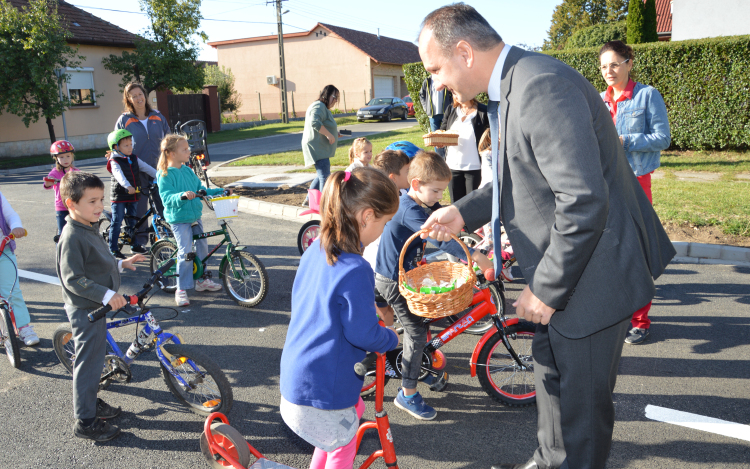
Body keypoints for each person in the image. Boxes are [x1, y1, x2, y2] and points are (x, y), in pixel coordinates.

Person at [417, 4, 675, 468]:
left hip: (592, 281)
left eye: (435, 68)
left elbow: (582, 201)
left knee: (581, 415)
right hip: (569, 277)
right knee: (552, 386)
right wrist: (462, 210)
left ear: (464, 52)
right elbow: (521, 173)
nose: (436, 82)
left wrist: (545, 290)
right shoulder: (514, 84)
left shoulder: (538, 86)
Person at [279, 167, 400, 469]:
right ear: (367, 216)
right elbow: (363, 333)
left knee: (338, 431)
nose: (383, 231)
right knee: (342, 447)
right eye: (384, 223)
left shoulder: (316, 249)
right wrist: (390, 337)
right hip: (323, 390)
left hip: (298, 380)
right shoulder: (356, 268)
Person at [374, 151, 494, 421]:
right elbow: (436, 237)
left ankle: (418, 364)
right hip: (394, 280)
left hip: (401, 274)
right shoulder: (409, 209)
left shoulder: (423, 204)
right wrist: (474, 254)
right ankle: (407, 393)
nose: (440, 197)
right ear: (415, 185)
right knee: (417, 332)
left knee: (420, 318)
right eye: (436, 190)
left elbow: (446, 221)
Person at [55, 171, 146, 441]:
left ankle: (90, 401)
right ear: (71, 204)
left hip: (98, 306)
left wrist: (120, 263)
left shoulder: (88, 226)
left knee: (95, 361)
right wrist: (107, 295)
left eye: (101, 200)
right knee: (89, 363)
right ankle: (85, 420)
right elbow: (73, 279)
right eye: (92, 201)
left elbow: (95, 262)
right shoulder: (71, 236)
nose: (99, 207)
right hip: (87, 310)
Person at [599, 40, 671, 345]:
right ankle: (617, 312)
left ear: (629, 63)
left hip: (636, 183)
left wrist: (624, 140)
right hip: (604, 183)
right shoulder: (599, 99)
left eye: (615, 64)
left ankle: (640, 320)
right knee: (610, 251)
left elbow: (663, 138)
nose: (609, 71)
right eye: (603, 66)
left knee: (638, 253)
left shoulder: (646, 95)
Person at [156, 134, 226, 307]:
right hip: (179, 219)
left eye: (188, 148)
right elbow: (166, 197)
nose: (189, 151)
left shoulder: (187, 170)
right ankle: (181, 288)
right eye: (185, 149)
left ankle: (202, 280)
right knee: (186, 252)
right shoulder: (164, 174)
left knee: (202, 246)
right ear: (172, 153)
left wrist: (220, 192)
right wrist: (181, 195)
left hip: (194, 216)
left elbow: (200, 189)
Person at [114, 82, 171, 252]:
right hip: (135, 171)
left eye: (140, 94)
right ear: (129, 99)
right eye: (134, 96)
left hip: (159, 169)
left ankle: (165, 238)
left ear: (145, 96)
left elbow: (169, 140)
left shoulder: (158, 116)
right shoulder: (125, 119)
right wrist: (113, 155)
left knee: (163, 205)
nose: (138, 98)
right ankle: (139, 242)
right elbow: (115, 143)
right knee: (139, 208)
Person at [363, 149, 413, 328]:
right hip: (379, 266)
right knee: (385, 309)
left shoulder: (401, 196)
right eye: (407, 171)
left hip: (389, 265)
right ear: (393, 177)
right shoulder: (389, 202)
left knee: (386, 308)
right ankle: (387, 348)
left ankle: (386, 344)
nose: (411, 174)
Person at [105, 129, 158, 259]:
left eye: (131, 144)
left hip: (133, 195)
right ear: (116, 147)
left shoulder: (133, 158)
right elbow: (119, 175)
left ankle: (134, 244)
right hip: (120, 196)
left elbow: (146, 167)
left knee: (132, 221)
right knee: (117, 221)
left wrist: (160, 176)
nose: (130, 148)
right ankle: (113, 248)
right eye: (126, 145)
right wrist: (127, 186)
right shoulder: (114, 161)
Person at [0, 190, 39, 346]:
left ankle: (24, 327)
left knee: (12, 291)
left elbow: (10, 215)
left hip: (3, 249)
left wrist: (16, 226)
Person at [437, 96, 489, 203]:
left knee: (472, 204)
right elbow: (443, 130)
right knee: (456, 204)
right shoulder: (451, 109)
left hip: (474, 166)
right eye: (454, 93)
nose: (456, 96)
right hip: (453, 165)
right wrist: (440, 141)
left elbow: (489, 137)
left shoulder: (483, 111)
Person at [301, 85, 341, 206]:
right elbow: (315, 122)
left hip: (319, 147)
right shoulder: (319, 106)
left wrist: (335, 134)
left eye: (337, 98)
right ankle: (324, 204)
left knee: (321, 175)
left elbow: (323, 124)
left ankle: (309, 200)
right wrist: (329, 135)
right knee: (325, 176)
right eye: (334, 97)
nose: (335, 101)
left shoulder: (322, 107)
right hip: (317, 148)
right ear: (326, 95)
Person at [43, 140, 79, 241]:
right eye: (61, 157)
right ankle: (60, 253)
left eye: (68, 156)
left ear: (72, 156)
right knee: (62, 234)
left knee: (78, 231)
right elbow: (48, 184)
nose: (65, 159)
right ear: (56, 158)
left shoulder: (76, 171)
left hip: (75, 206)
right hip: (62, 207)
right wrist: (48, 183)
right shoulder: (55, 172)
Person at [419, 76, 452, 158]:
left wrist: (451, 106)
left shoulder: (445, 79)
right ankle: (440, 158)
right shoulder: (427, 81)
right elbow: (421, 95)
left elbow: (452, 93)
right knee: (436, 140)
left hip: (445, 114)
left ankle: (448, 157)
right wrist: (426, 108)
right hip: (433, 115)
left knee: (447, 137)